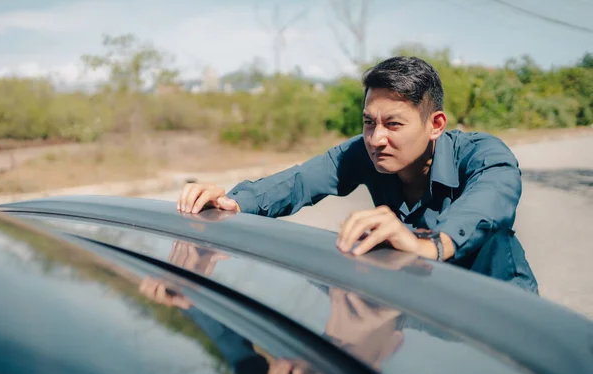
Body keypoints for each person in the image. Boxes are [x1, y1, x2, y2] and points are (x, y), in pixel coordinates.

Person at [177, 56, 538, 293]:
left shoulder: (481, 153)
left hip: (503, 310)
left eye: (393, 123)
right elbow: (301, 180)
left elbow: (492, 196)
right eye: (369, 122)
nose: (376, 138)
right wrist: (232, 202)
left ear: (435, 124)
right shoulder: (362, 152)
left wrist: (428, 244)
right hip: (423, 306)